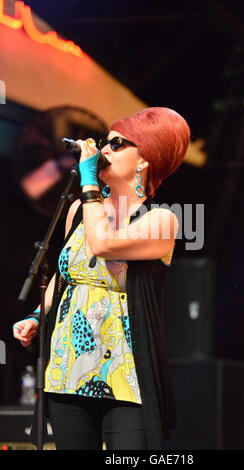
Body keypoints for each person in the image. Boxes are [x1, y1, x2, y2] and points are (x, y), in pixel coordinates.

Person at [13, 107, 191, 450]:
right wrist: (38, 315)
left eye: (118, 143)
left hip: (125, 373)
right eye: (104, 142)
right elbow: (68, 275)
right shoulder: (80, 210)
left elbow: (102, 244)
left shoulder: (160, 221)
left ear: (145, 160)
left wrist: (89, 182)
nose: (104, 150)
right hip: (68, 367)